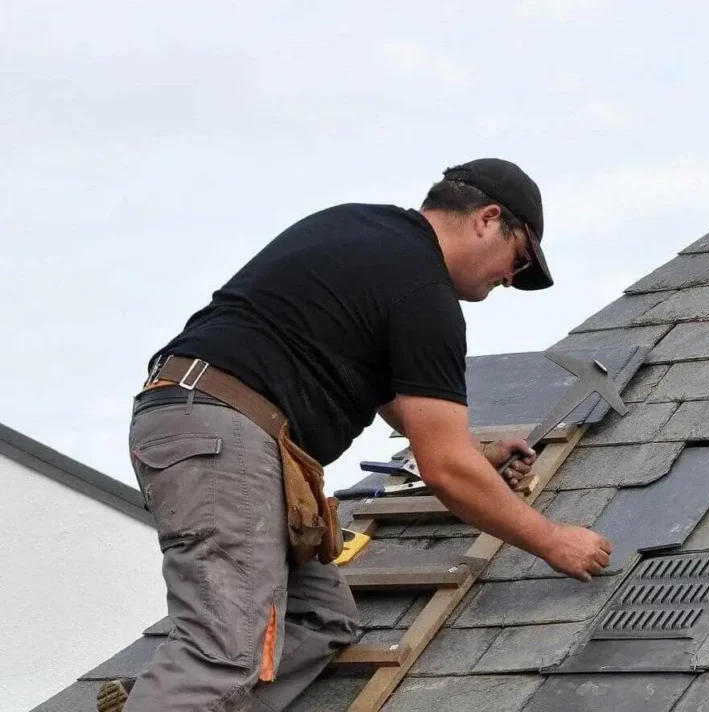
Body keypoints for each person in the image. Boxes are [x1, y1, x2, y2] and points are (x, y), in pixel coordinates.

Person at [98, 158, 613, 712]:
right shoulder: (424, 291)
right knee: (221, 649)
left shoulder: (358, 229)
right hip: (227, 435)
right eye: (519, 259)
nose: (511, 279)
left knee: (321, 618)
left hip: (200, 421)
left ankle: (165, 699)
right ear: (488, 219)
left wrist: (477, 452)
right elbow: (443, 469)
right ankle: (178, 695)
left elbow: (400, 400)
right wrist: (552, 541)